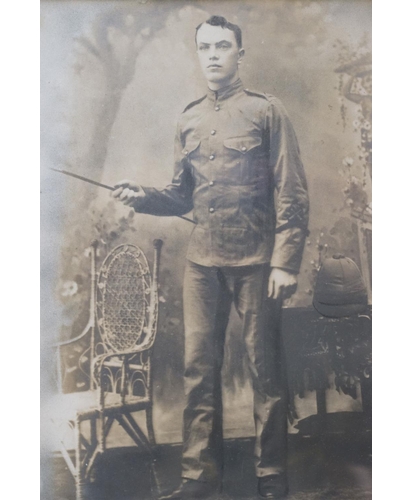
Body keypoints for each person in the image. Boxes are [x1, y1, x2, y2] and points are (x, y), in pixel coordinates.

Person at [112, 15, 309, 499]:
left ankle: (270, 478)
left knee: (264, 371)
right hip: (202, 264)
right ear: (198, 54)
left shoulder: (267, 111)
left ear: (241, 54)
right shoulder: (189, 117)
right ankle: (199, 479)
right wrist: (143, 196)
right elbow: (182, 196)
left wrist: (285, 262)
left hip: (258, 262)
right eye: (205, 48)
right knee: (199, 370)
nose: (214, 55)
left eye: (223, 46)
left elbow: (292, 192)